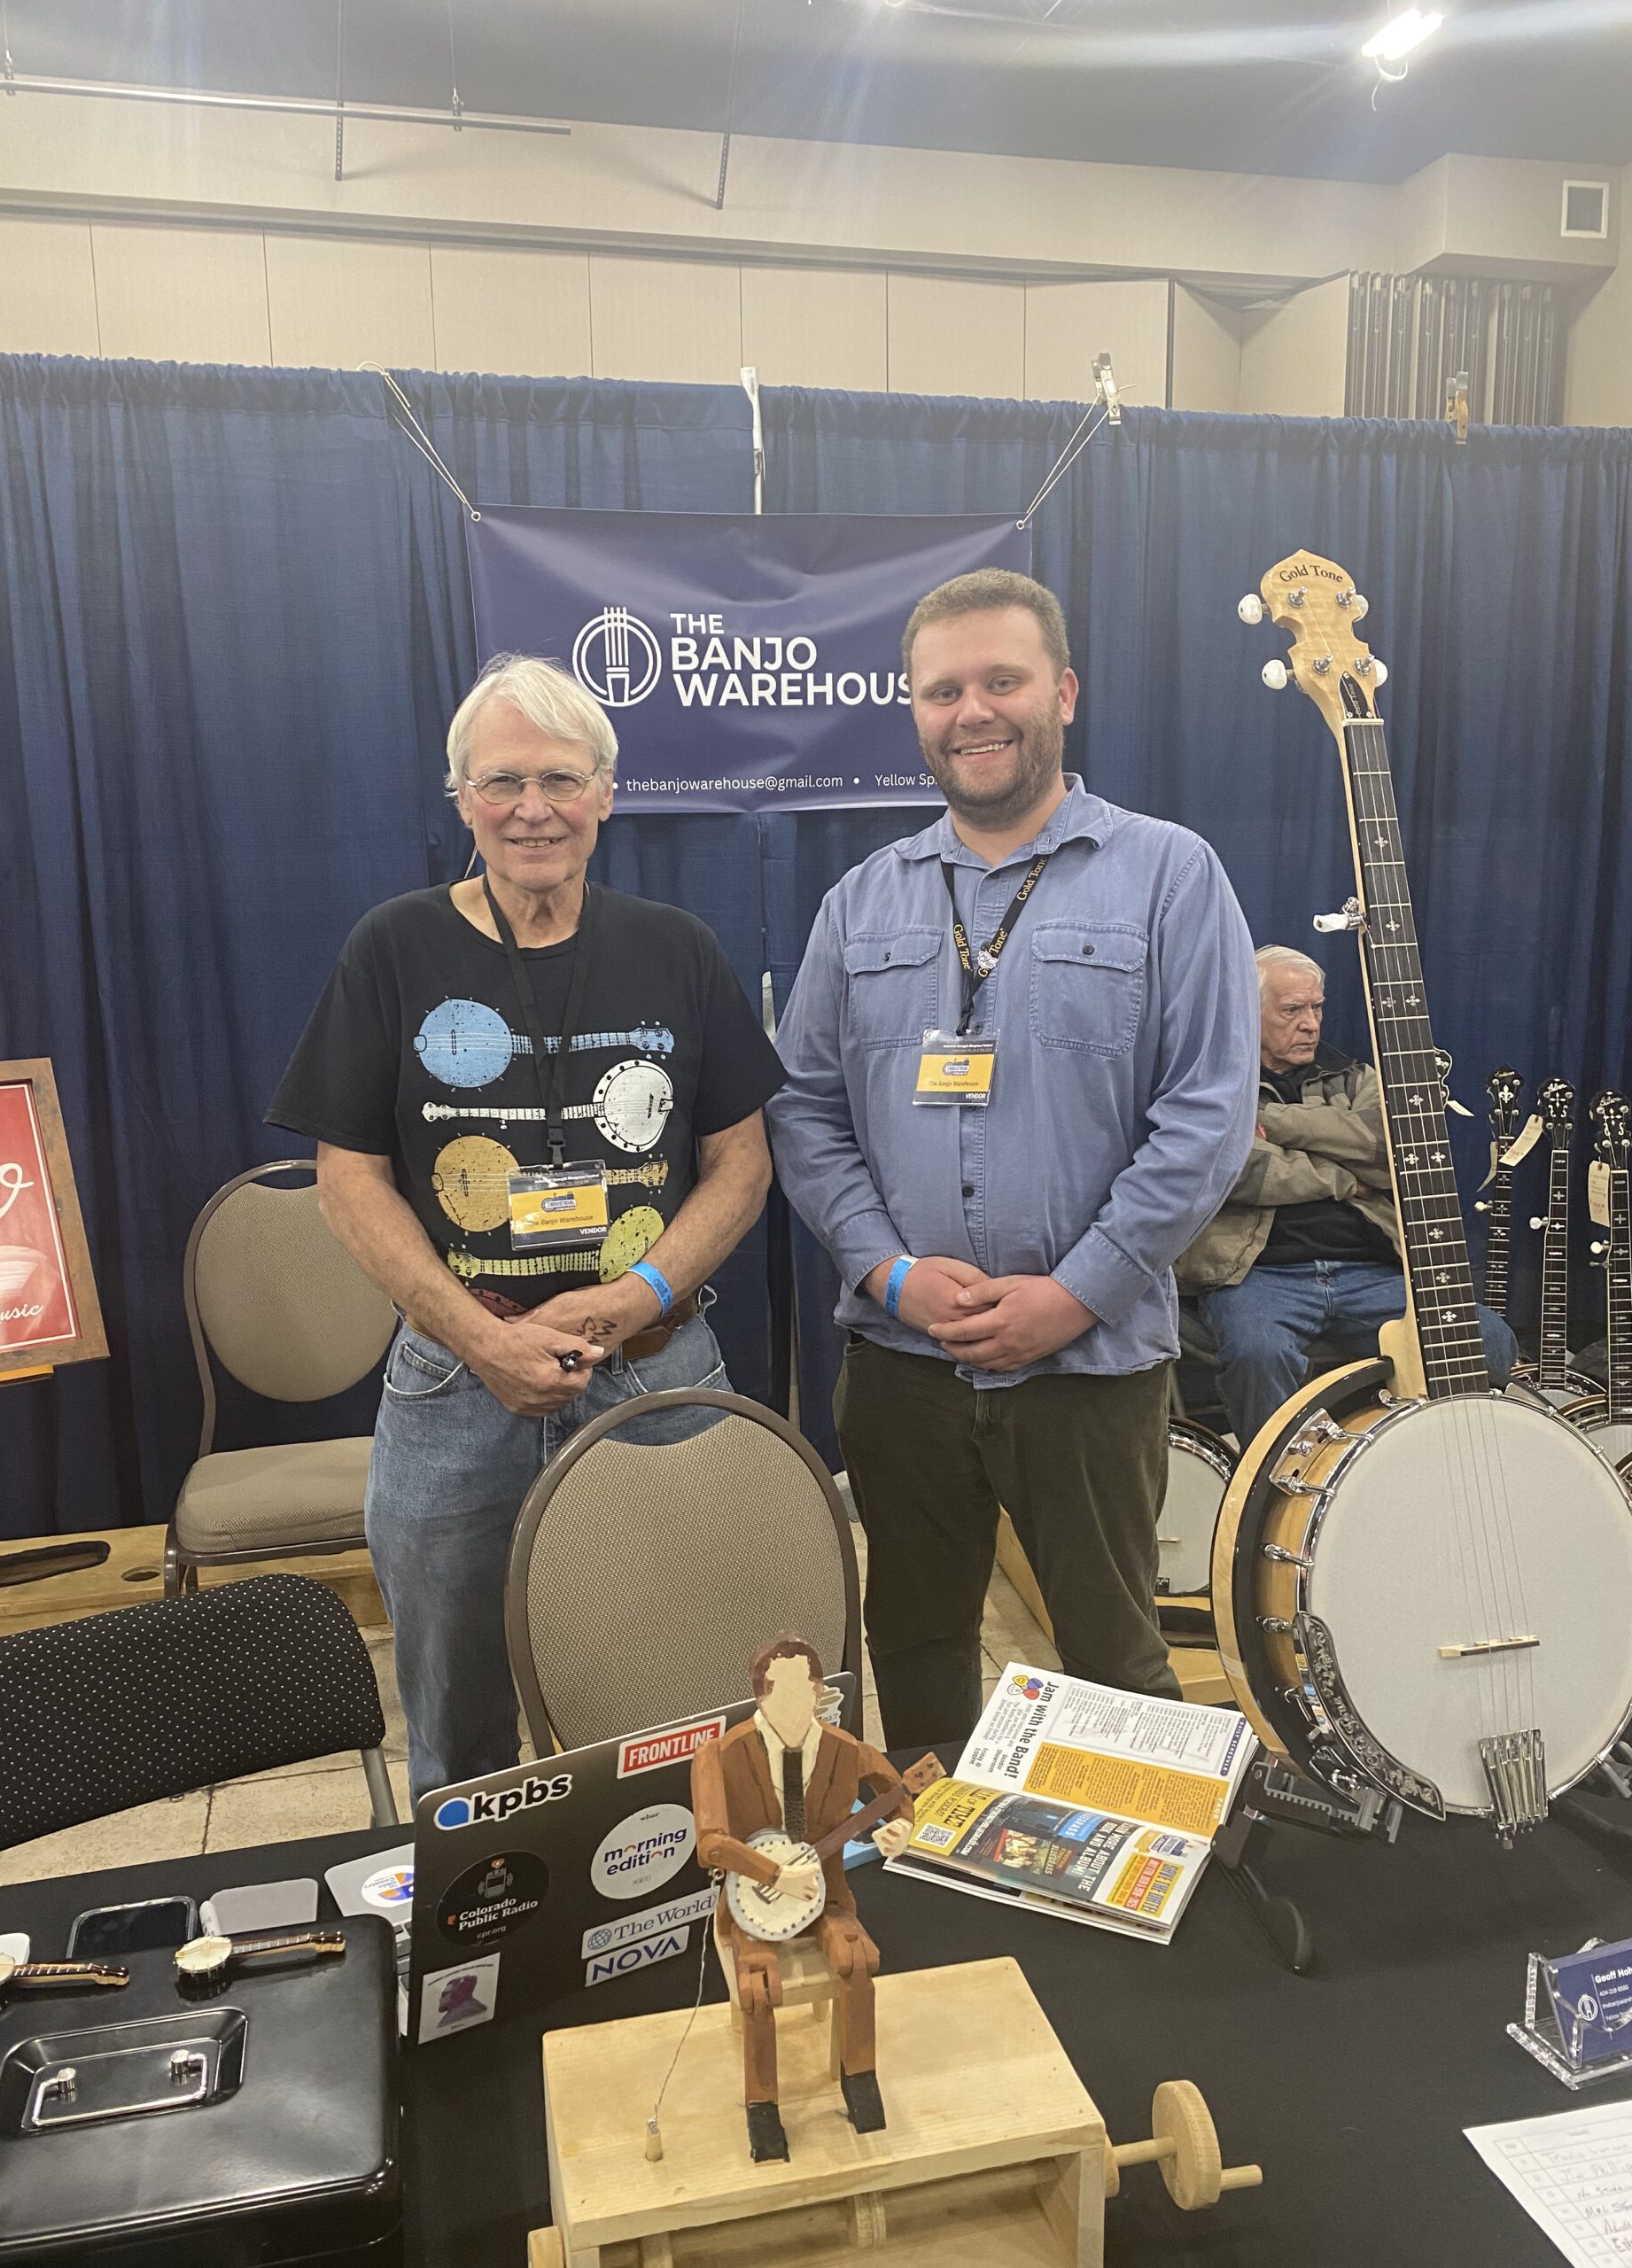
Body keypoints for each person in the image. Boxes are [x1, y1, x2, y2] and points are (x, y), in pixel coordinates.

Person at [267, 655, 782, 1800]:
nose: (533, 809)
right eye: (502, 782)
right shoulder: (392, 950)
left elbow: (740, 1167)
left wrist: (637, 1295)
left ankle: (682, 1918)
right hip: (458, 1382)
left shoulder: (677, 950)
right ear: (461, 799)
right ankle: (478, 1951)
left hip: (656, 1373)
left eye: (561, 779)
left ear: (607, 794)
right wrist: (481, 1338)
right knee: (455, 1717)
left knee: (681, 1687)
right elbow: (347, 1180)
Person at [767, 568, 1259, 1747]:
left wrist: (1073, 1292)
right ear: (915, 711)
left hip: (1087, 1368)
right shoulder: (860, 904)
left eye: (1002, 680)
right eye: (944, 690)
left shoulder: (1171, 876)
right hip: (900, 1363)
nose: (973, 710)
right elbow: (804, 1110)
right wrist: (888, 1273)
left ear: (1065, 692)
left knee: (1113, 1660)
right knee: (919, 1644)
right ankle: (940, 1898)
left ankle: (1128, 1917)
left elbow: (1208, 1119)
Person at [1178, 944, 1519, 1449]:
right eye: (1292, 1010)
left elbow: (1393, 1151)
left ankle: (1418, 1467)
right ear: (1248, 1011)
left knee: (1490, 1342)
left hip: (1368, 1270)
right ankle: (1273, 1491)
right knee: (1258, 1354)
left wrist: (1277, 1123)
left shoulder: (1356, 1077)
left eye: (1316, 1007)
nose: (1310, 1023)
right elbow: (1236, 1169)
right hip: (1258, 1274)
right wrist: (1343, 1176)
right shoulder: (1214, 1084)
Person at [690, 1635, 913, 2163]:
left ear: (820, 1692)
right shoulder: (718, 1756)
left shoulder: (847, 1750)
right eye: (778, 1689)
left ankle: (859, 2078)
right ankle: (763, 2104)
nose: (793, 1701)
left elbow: (902, 1798)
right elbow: (711, 1844)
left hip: (827, 1895)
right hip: (753, 1905)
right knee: (760, 1985)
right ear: (759, 1695)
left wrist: (901, 1831)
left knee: (857, 1960)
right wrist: (773, 1873)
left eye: (804, 1688)